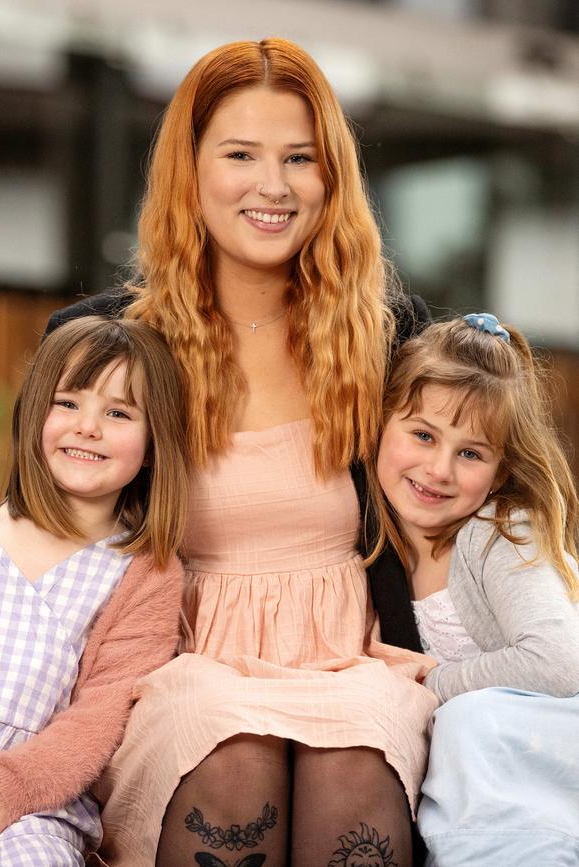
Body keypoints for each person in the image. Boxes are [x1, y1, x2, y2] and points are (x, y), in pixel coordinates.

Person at [46, 38, 445, 867]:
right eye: (241, 155)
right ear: (191, 172)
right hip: (179, 667)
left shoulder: (388, 338)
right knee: (229, 745)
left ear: (331, 177)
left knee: (355, 760)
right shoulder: (111, 345)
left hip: (352, 659)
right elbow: (33, 544)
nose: (273, 185)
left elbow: (469, 517)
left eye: (300, 158)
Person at [0, 316, 188, 865]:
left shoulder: (145, 573)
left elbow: (101, 714)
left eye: (118, 413)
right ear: (33, 413)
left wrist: (11, 789)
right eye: (67, 402)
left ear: (154, 443)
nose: (87, 427)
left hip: (31, 809)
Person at [366, 313, 579, 866]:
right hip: (491, 777)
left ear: (501, 470)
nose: (438, 469)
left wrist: (429, 685)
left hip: (552, 748)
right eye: (422, 435)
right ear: (379, 424)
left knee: (469, 723)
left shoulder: (498, 531)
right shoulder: (374, 546)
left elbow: (560, 663)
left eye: (470, 453)